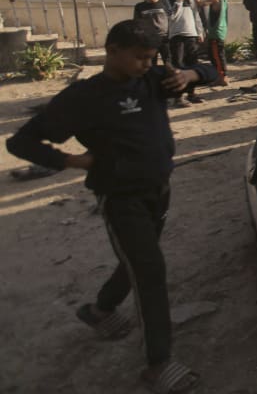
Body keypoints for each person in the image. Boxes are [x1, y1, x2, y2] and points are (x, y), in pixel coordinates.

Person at [6, 19, 215, 393]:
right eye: (139, 58)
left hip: (158, 191)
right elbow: (20, 142)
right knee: (150, 269)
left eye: (151, 57)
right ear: (112, 50)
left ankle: (99, 310)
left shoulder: (152, 81)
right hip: (121, 197)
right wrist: (71, 161)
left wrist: (189, 74)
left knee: (136, 259)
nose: (146, 64)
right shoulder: (84, 98)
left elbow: (212, 72)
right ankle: (158, 363)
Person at [167, 0, 205, 105]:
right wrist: (178, 1)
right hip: (176, 36)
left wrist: (199, 32)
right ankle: (178, 97)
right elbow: (171, 17)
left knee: (192, 64)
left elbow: (196, 16)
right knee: (178, 66)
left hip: (191, 35)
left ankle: (192, 93)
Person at [133, 0, 171, 66]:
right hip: (149, 39)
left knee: (169, 62)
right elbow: (137, 23)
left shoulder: (165, 4)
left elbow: (172, 19)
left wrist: (170, 35)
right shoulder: (139, 6)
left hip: (165, 38)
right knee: (150, 63)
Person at [201, 0, 229, 87]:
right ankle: (221, 77)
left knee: (217, 56)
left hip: (216, 33)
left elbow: (200, 4)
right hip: (220, 31)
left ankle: (222, 78)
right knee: (218, 55)